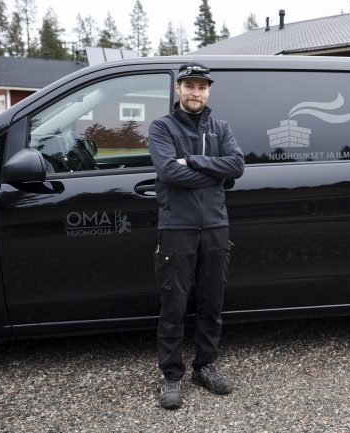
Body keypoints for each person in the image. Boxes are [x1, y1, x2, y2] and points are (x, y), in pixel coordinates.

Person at [148, 62, 245, 410]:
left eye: (202, 87)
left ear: (208, 91)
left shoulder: (221, 127)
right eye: (189, 85)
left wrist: (191, 161)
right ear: (178, 89)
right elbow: (169, 173)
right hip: (177, 228)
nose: (195, 92)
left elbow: (237, 165)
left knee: (211, 302)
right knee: (173, 305)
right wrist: (215, 173)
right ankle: (172, 375)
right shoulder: (162, 127)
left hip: (216, 227)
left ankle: (205, 367)